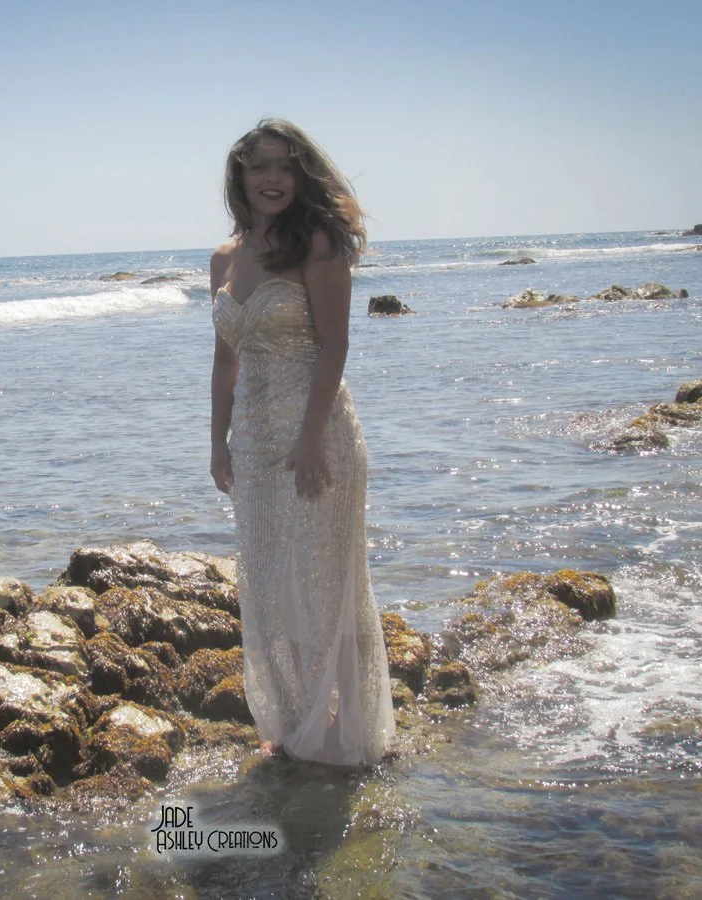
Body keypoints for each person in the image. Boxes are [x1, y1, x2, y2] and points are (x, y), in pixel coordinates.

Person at [210, 118, 395, 766]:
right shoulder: (224, 258)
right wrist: (216, 442)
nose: (270, 178)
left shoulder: (318, 243)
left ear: (301, 174)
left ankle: (351, 730)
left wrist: (313, 437)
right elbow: (224, 362)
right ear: (239, 177)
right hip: (254, 446)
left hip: (318, 436)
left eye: (283, 166)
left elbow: (336, 344)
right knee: (267, 584)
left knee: (329, 582)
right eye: (257, 167)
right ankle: (296, 723)